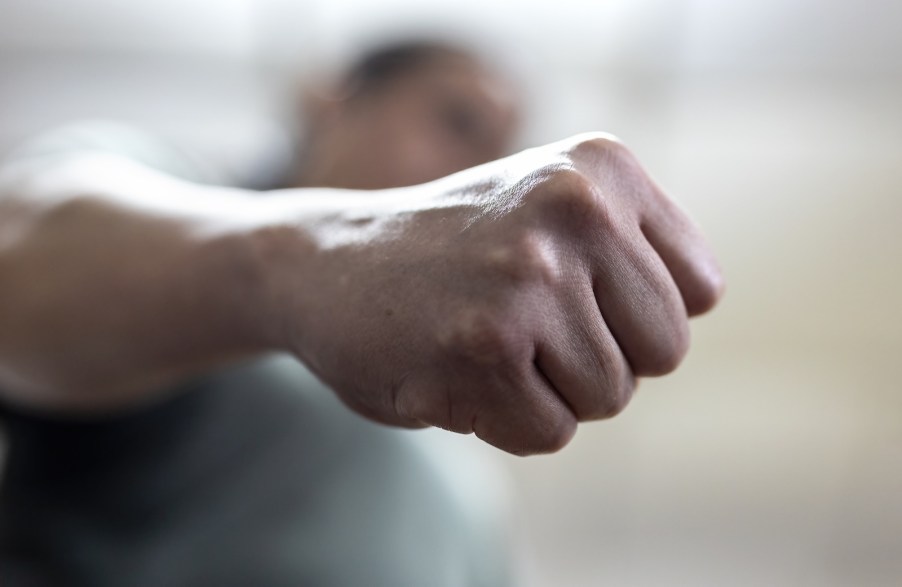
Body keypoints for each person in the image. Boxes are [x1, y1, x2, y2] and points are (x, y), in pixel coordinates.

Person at [0, 39, 723, 586]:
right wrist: (318, 255)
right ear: (331, 103)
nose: (483, 170)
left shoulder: (465, 459)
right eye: (458, 119)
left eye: (501, 150)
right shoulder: (167, 202)